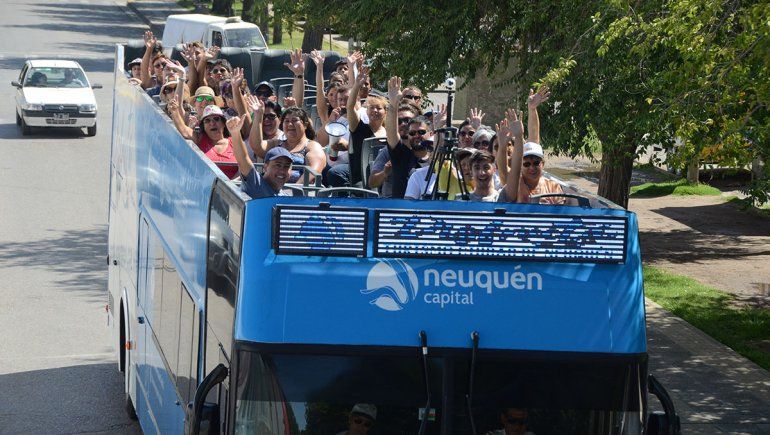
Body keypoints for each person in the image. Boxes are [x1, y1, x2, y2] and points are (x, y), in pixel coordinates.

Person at [250, 99, 326, 184]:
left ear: (305, 125)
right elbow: (257, 146)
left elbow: (313, 172)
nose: (290, 124)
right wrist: (258, 116)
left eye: (294, 120)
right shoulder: (276, 144)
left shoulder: (312, 146)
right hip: (270, 190)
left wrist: (293, 189)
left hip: (298, 191)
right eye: (286, 121)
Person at [168, 102, 239, 179]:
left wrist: (230, 183)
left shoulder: (235, 141)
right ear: (203, 127)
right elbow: (184, 131)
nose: (212, 123)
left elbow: (244, 167)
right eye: (207, 121)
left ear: (223, 123)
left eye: (216, 119)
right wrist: (175, 111)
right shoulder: (199, 139)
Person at [227, 115, 293, 198]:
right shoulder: (255, 182)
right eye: (278, 165)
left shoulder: (287, 197)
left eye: (286, 166)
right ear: (265, 167)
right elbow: (243, 159)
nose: (282, 170)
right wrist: (235, 133)